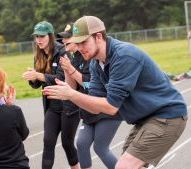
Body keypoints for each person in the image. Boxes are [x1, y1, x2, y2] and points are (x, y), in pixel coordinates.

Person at [43, 16, 188, 169]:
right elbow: (94, 105)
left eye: (83, 42)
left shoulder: (123, 55)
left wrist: (71, 94)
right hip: (145, 119)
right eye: (77, 43)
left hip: (167, 116)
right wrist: (70, 95)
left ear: (98, 36)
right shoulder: (96, 63)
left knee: (123, 167)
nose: (79, 47)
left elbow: (111, 107)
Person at [57, 22, 122, 169]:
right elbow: (73, 87)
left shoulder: (90, 56)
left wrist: (72, 70)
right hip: (88, 109)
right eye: (63, 38)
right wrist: (67, 70)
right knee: (81, 144)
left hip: (104, 108)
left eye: (68, 38)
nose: (64, 41)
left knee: (100, 148)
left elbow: (89, 84)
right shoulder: (74, 58)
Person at [22, 21, 79, 169]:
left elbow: (61, 79)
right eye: (36, 37)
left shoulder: (63, 52)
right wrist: (33, 78)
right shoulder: (38, 54)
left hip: (69, 105)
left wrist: (39, 76)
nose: (38, 40)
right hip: (52, 106)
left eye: (42, 36)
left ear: (50, 36)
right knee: (48, 142)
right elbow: (36, 84)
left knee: (67, 143)